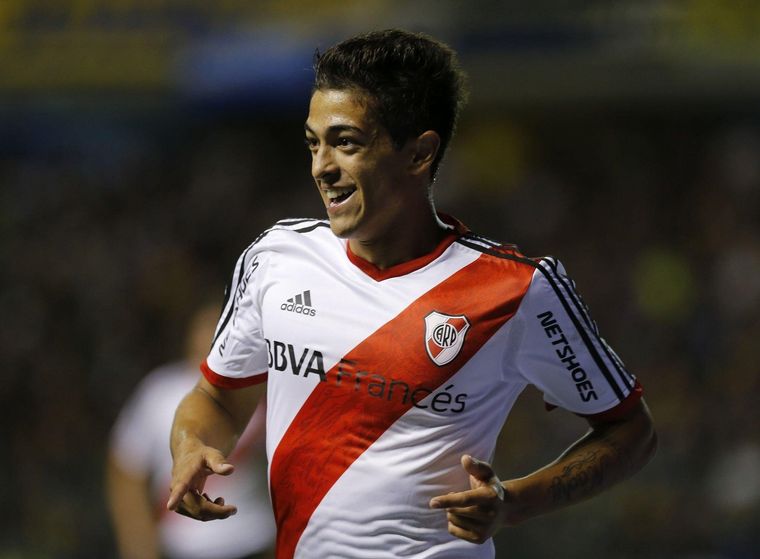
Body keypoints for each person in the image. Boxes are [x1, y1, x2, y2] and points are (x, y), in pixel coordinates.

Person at [167, 29, 657, 558]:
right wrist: (191, 444)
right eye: (313, 143)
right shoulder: (275, 258)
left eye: (346, 142)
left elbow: (631, 431)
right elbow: (216, 397)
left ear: (420, 153)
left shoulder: (518, 289)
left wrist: (514, 501)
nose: (321, 167)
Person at [107, 304, 275, 559]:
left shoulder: (258, 390)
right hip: (184, 546)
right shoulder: (159, 392)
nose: (216, 333)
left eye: (224, 324)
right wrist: (138, 546)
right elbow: (126, 472)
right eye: (207, 325)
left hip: (255, 541)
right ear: (190, 333)